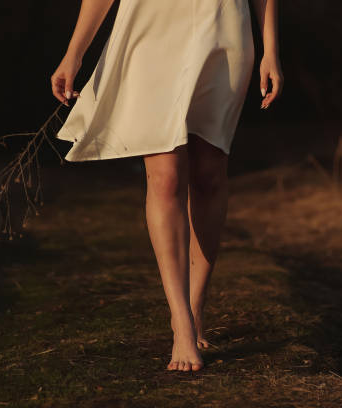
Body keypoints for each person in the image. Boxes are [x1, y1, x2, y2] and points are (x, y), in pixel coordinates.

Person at [50, 0, 283, 372]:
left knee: (209, 172)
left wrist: (271, 50)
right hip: (151, 31)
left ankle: (195, 305)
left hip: (223, 26)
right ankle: (182, 324)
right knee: (167, 174)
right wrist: (74, 53)